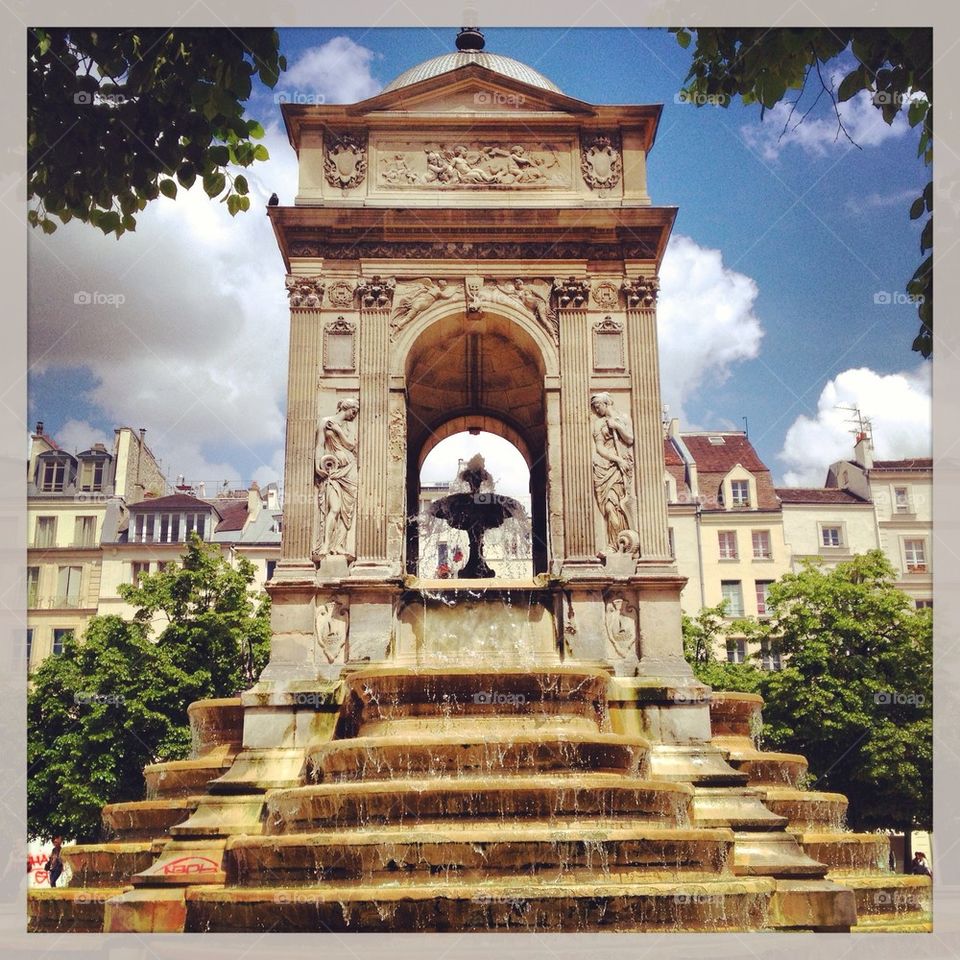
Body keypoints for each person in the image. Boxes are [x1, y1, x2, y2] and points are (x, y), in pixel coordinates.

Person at [313, 398, 359, 560]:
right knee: (335, 508)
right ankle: (326, 545)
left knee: (347, 511)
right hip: (332, 469)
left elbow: (351, 446)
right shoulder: (325, 422)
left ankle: (339, 545)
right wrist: (318, 465)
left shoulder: (349, 426)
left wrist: (339, 431)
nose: (355, 414)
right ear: (346, 407)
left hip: (349, 470)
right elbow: (320, 445)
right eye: (354, 410)